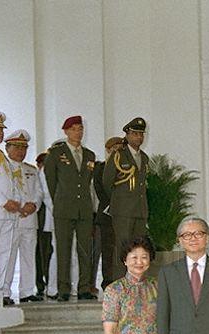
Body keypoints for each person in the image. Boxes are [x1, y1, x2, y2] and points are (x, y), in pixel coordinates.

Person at [43, 115, 97, 301]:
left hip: (84, 209)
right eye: (74, 129)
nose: (78, 132)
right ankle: (63, 289)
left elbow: (88, 183)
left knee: (84, 250)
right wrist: (60, 199)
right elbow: (51, 181)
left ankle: (84, 288)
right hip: (64, 208)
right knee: (63, 250)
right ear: (66, 131)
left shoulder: (90, 155)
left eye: (81, 128)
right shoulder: (57, 154)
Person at [102, 117, 150, 280]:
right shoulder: (118, 155)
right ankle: (120, 282)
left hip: (140, 209)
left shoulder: (144, 157)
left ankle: (137, 280)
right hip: (123, 210)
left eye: (141, 134)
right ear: (127, 135)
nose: (139, 137)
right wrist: (120, 201)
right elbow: (107, 183)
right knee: (123, 247)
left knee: (139, 248)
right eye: (135, 134)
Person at [2, 130, 42, 304]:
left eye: (24, 147)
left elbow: (39, 192)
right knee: (7, 257)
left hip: (29, 219)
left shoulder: (31, 170)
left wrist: (34, 204)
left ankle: (26, 291)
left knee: (28, 256)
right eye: (17, 147)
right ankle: (4, 292)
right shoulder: (3, 168)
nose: (21, 151)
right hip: (11, 219)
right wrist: (18, 207)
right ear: (8, 148)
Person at [0, 112, 22, 303]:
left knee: (4, 253)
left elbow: (12, 182)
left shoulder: (1, 154)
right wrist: (4, 202)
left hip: (8, 213)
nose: (0, 133)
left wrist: (16, 202)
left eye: (1, 130)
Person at [93, 136, 124, 289]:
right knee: (107, 250)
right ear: (108, 150)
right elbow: (100, 190)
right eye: (114, 149)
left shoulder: (126, 168)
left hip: (125, 215)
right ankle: (108, 282)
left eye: (120, 149)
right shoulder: (101, 167)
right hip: (107, 215)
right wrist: (114, 206)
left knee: (123, 248)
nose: (117, 152)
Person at [35, 152, 53, 298]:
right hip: (43, 219)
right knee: (42, 252)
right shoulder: (40, 174)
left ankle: (51, 281)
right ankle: (41, 283)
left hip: (56, 219)